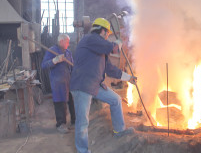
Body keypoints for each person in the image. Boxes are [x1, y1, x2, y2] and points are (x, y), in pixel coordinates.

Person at [70, 18, 137, 153]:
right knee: (83, 122)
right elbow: (110, 47)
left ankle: (119, 130)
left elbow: (110, 69)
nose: (107, 36)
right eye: (107, 33)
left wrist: (128, 78)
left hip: (94, 84)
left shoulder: (99, 49)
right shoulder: (90, 39)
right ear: (102, 31)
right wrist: (117, 44)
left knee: (116, 100)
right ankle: (82, 150)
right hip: (82, 86)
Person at [41, 33, 75, 134]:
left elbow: (72, 65)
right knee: (60, 103)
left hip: (68, 81)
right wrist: (55, 60)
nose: (68, 44)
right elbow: (43, 65)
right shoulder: (52, 51)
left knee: (72, 101)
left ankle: (74, 120)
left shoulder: (68, 52)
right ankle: (61, 124)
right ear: (61, 41)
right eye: (67, 42)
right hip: (58, 83)